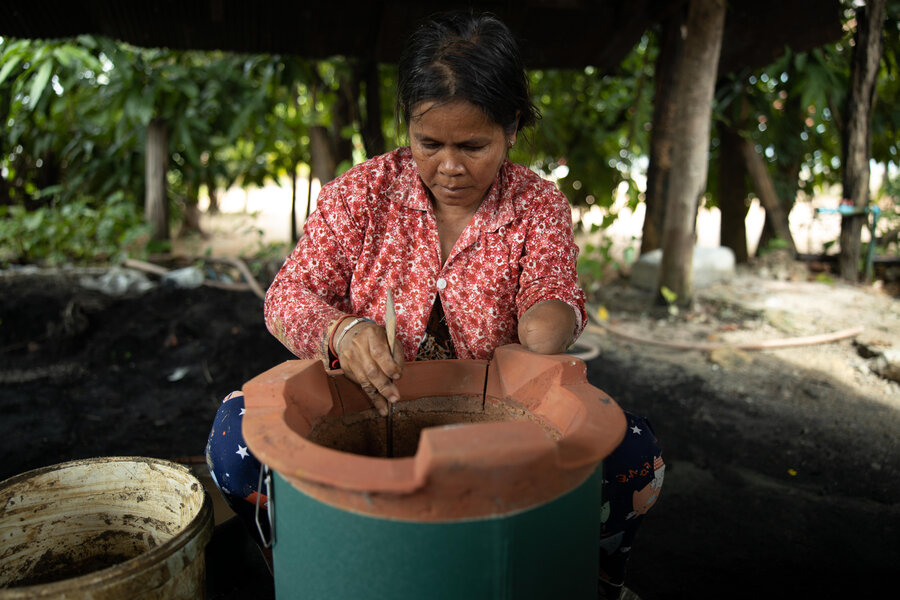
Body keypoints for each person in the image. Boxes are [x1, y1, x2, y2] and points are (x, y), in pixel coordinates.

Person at [206, 11, 662, 599]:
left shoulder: (536, 204)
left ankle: (589, 580)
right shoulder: (361, 194)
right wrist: (343, 331)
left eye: (473, 145)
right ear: (408, 127)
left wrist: (555, 314)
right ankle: (304, 564)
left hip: (485, 429)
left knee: (634, 455)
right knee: (234, 440)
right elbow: (286, 297)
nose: (449, 166)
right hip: (372, 411)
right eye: (430, 144)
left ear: (512, 128)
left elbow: (554, 301)